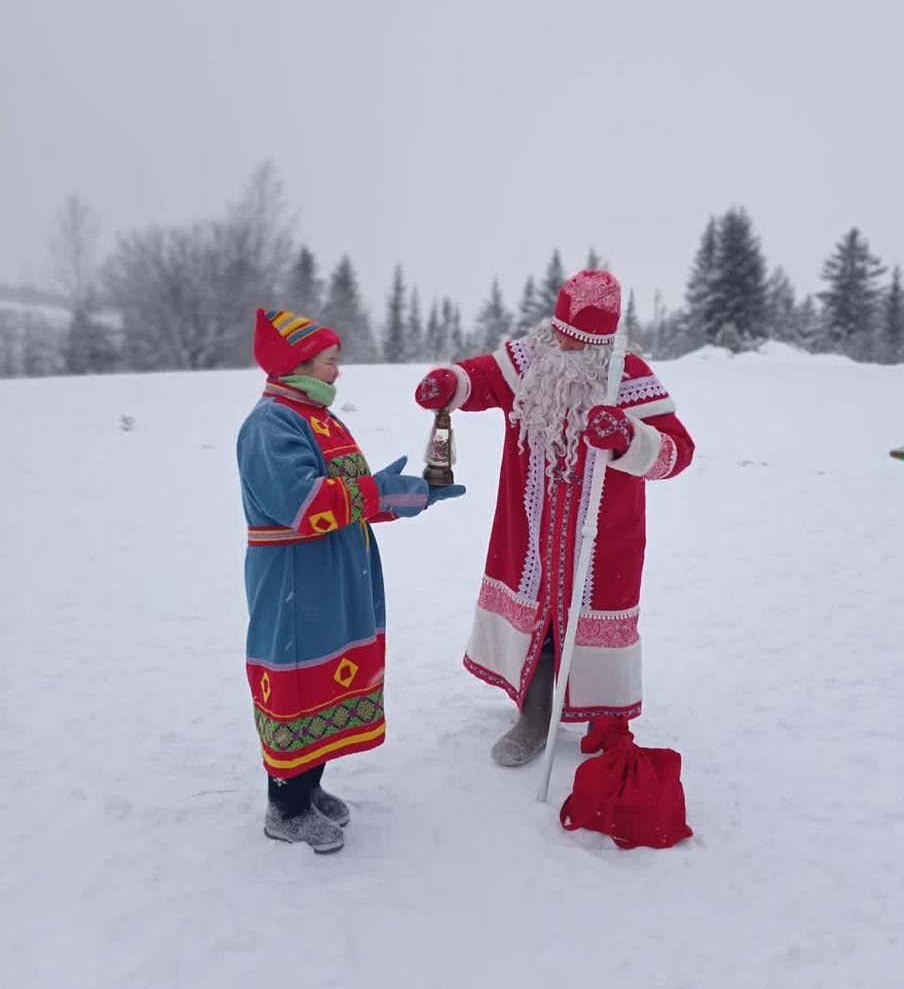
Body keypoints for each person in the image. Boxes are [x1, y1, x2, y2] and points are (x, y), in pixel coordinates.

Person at [414, 269, 694, 766]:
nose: (565, 347)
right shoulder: (529, 363)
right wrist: (451, 383)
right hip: (528, 529)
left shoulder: (626, 378)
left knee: (597, 620)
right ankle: (536, 711)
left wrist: (628, 437)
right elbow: (480, 379)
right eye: (561, 334)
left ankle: (608, 720)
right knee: (539, 624)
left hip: (604, 536)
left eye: (579, 342)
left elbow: (677, 453)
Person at [238, 307, 464, 853]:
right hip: (296, 573)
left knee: (324, 680)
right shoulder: (270, 424)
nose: (338, 372)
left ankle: (308, 788)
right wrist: (379, 494)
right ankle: (284, 807)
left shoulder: (317, 417)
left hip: (335, 570)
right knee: (295, 682)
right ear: (301, 363)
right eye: (331, 362)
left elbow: (349, 494)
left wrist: (403, 494)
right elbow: (302, 503)